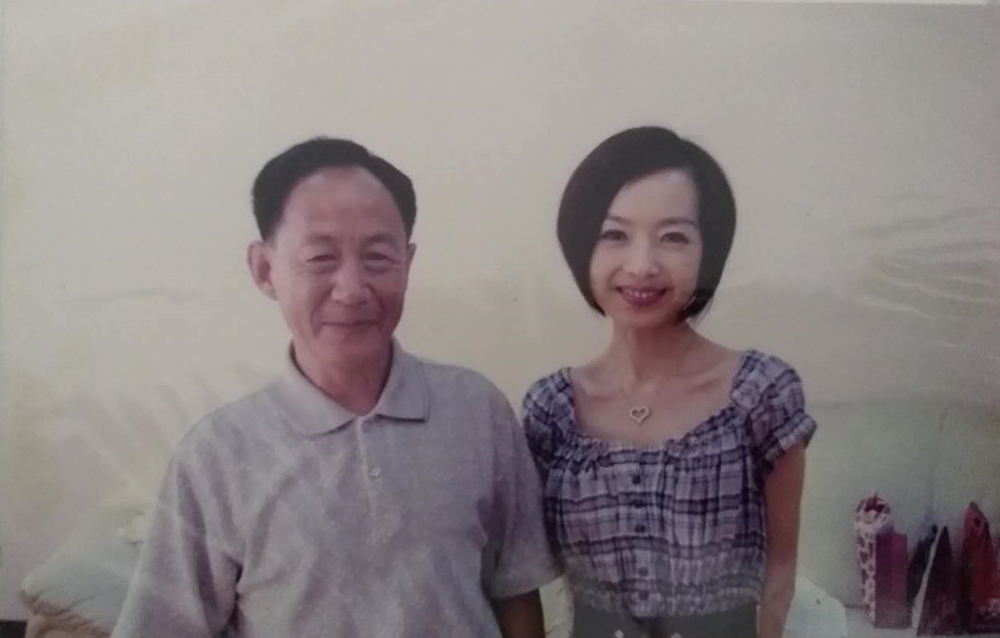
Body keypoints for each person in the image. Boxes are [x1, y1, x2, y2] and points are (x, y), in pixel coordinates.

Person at [112, 137, 559, 638]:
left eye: (378, 257)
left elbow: (516, 588)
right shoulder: (217, 455)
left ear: (408, 262)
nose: (351, 289)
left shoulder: (477, 411)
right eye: (320, 258)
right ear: (264, 269)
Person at [521, 126, 817, 638]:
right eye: (614, 235)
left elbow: (780, 574)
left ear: (708, 251)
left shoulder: (761, 393)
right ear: (583, 247)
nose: (642, 266)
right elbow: (529, 574)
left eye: (673, 237)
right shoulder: (551, 410)